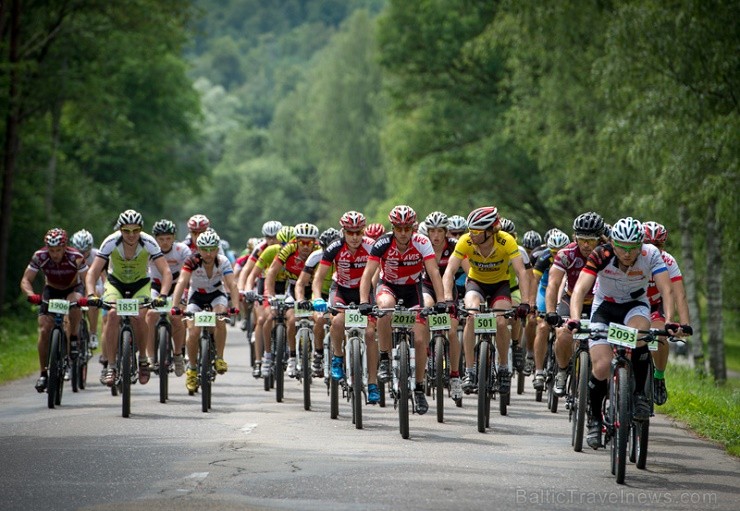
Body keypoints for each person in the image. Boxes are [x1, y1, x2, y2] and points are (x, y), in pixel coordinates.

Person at [567, 217, 686, 450]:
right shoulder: (600, 254)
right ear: (613, 242)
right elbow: (580, 289)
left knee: (641, 335)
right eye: (622, 247)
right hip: (605, 307)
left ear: (641, 245)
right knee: (600, 367)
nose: (628, 253)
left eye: (634, 248)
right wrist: (573, 317)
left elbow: (666, 288)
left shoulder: (650, 253)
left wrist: (670, 320)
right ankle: (594, 419)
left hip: (635, 306)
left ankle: (641, 395)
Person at [359, 205, 447, 415]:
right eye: (399, 228)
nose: (404, 233)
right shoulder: (383, 243)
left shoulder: (422, 242)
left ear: (413, 228)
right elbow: (368, 272)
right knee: (385, 307)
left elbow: (434, 272)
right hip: (388, 285)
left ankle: (418, 388)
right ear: (394, 228)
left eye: (408, 228)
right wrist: (364, 299)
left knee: (418, 339)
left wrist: (442, 300)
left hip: (412, 289)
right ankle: (385, 359)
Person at [442, 206, 533, 397]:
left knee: (501, 321)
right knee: (471, 317)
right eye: (470, 230)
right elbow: (449, 271)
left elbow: (521, 272)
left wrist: (525, 301)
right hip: (476, 283)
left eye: (476, 231)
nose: (471, 235)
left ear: (490, 231)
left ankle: (502, 368)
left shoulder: (506, 241)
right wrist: (448, 298)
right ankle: (470, 370)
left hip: (500, 285)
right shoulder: (465, 241)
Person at [85, 210, 170, 386]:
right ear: (120, 229)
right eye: (126, 231)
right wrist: (91, 293)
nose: (131, 235)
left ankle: (144, 360)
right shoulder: (110, 241)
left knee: (140, 316)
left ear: (141, 229)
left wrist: (162, 295)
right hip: (116, 283)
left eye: (135, 230)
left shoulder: (148, 242)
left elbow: (166, 272)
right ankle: (111, 365)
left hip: (140, 283)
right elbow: (93, 271)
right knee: (113, 315)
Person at [311, 212, 381, 402]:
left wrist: (371, 297)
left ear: (363, 231)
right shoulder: (334, 247)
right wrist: (317, 298)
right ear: (344, 232)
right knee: (338, 321)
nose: (355, 237)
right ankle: (338, 357)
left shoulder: (371, 246)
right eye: (350, 233)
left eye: (358, 232)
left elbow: (376, 274)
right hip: (341, 289)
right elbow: (318, 278)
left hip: (365, 292)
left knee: (369, 333)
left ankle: (373, 383)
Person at [170, 229, 239, 394]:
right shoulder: (191, 261)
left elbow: (232, 285)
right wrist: (174, 305)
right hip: (197, 296)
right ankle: (192, 370)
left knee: (220, 317)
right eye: (204, 249)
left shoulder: (222, 261)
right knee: (193, 333)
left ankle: (220, 358)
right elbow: (182, 282)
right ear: (198, 250)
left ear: (217, 249)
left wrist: (235, 306)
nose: (208, 253)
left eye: (212, 249)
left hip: (216, 294)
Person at [21, 228, 89, 393]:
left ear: (65, 247)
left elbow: (88, 280)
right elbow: (26, 280)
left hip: (73, 288)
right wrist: (30, 295)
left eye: (58, 250)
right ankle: (43, 373)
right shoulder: (40, 256)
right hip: (51, 290)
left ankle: (73, 337)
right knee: (44, 329)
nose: (55, 254)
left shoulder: (76, 258)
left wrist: (87, 297)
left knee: (73, 304)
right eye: (52, 250)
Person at [546, 212, 605, 396]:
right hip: (570, 299)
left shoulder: (608, 253)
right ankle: (562, 371)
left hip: (599, 303)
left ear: (600, 239)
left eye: (591, 241)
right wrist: (550, 312)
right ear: (574, 238)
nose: (586, 245)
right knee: (563, 334)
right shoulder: (566, 254)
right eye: (582, 240)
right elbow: (553, 284)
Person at [643, 221, 690, 405]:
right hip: (632, 304)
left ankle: (659, 377)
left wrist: (684, 324)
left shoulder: (668, 261)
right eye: (649, 244)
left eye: (658, 245)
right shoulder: (632, 258)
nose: (654, 249)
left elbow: (679, 294)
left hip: (656, 305)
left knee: (660, 336)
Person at [420, 211, 466, 402]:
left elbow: (469, 270)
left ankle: (455, 375)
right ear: (427, 232)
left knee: (453, 331)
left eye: (440, 231)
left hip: (449, 291)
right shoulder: (421, 245)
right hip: (426, 287)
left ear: (446, 232)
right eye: (432, 231)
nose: (436, 236)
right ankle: (429, 355)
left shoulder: (455, 246)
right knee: (426, 312)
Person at [264, 223, 319, 378]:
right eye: (302, 242)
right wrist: (271, 295)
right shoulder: (288, 249)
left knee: (318, 318)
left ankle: (317, 353)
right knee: (292, 318)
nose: (306, 247)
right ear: (296, 241)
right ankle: (292, 357)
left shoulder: (319, 250)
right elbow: (271, 273)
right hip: (294, 288)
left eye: (310, 242)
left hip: (314, 289)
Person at [145, 219, 191, 377]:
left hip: (176, 286)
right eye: (161, 239)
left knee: (177, 317)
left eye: (168, 238)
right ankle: (150, 357)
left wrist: (185, 296)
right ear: (155, 239)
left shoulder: (182, 250)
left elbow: (188, 275)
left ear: (174, 237)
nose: (165, 242)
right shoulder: (149, 250)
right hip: (156, 286)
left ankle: (178, 355)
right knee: (150, 315)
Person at [293, 227, 341, 378]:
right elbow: (301, 283)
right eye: (326, 249)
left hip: (338, 292)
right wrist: (301, 300)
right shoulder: (316, 256)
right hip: (319, 292)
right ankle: (318, 354)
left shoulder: (344, 255)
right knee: (320, 318)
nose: (329, 253)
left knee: (340, 322)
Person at [530, 229, 570, 391]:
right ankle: (539, 370)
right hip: (545, 290)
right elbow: (535, 280)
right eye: (554, 251)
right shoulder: (544, 257)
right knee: (542, 326)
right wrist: (531, 303)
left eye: (561, 251)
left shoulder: (573, 256)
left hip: (565, 290)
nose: (557, 254)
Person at [70, 229, 103, 350]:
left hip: (95, 285)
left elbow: (104, 276)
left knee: (92, 300)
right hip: (77, 286)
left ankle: (93, 333)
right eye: (79, 251)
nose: (82, 254)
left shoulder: (97, 255)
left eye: (85, 251)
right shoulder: (69, 256)